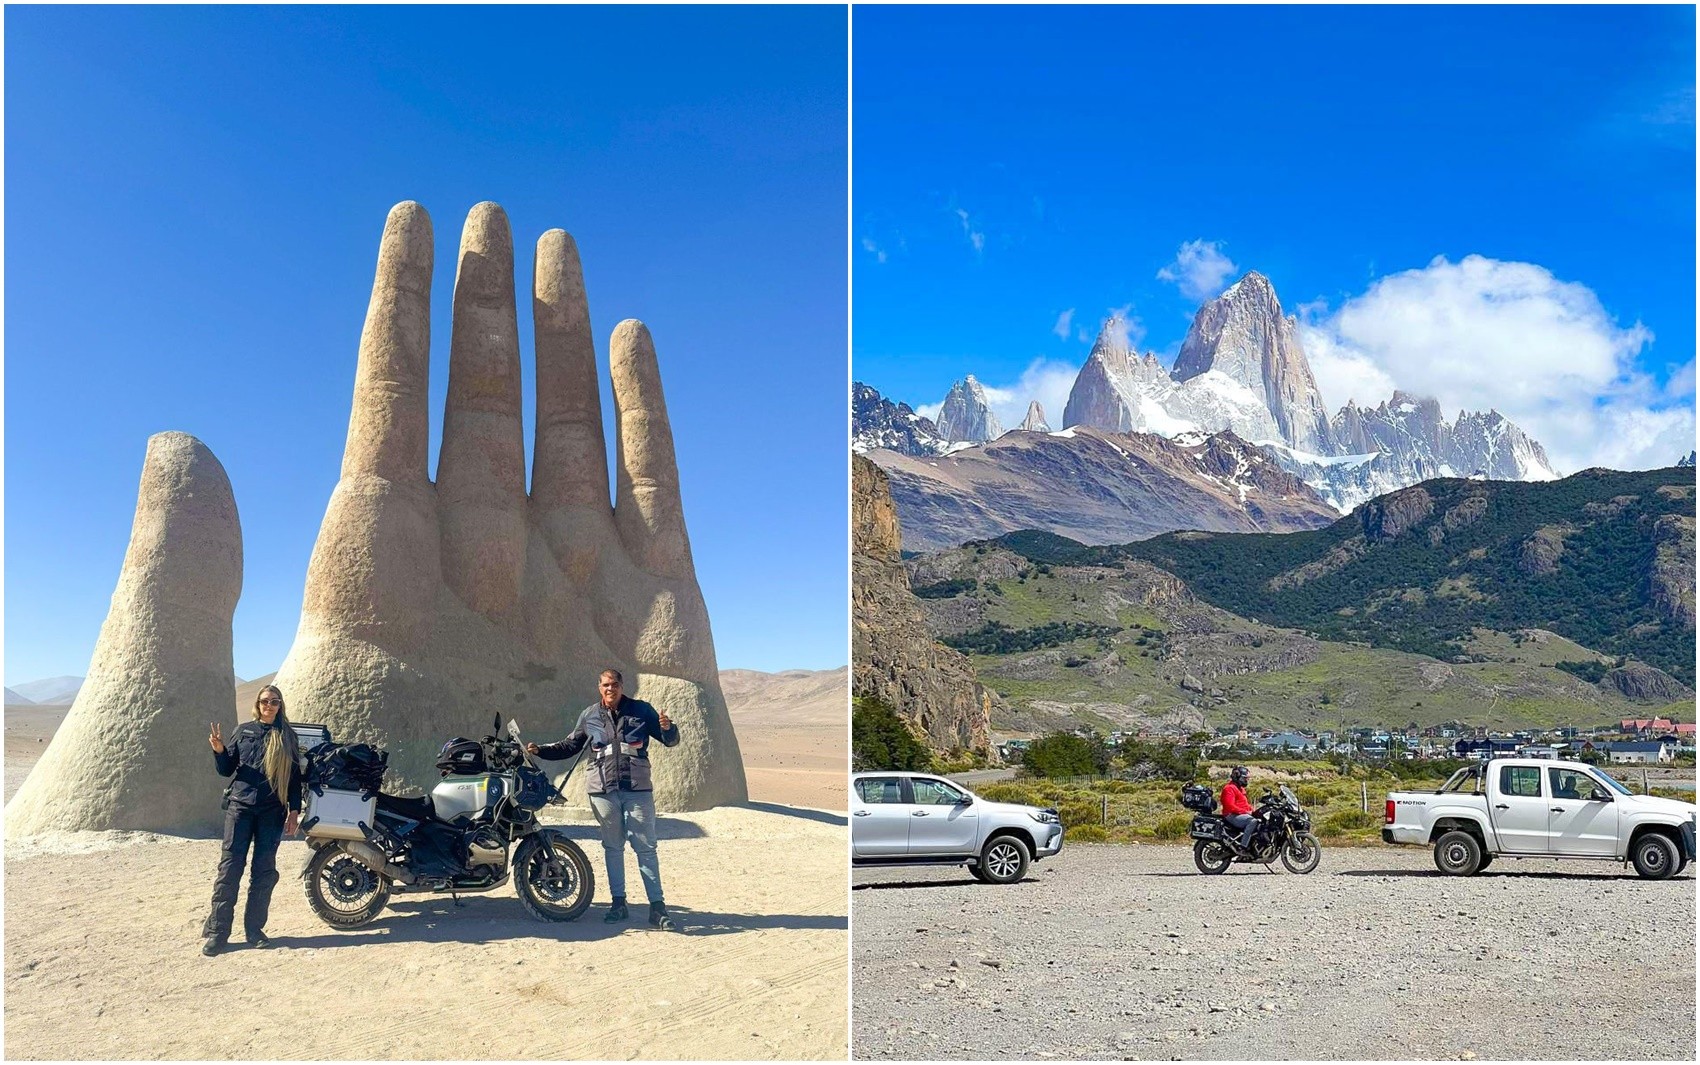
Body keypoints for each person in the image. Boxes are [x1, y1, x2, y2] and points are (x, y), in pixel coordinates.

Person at [528, 669, 681, 930]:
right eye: (606, 685)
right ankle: (618, 904)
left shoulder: (641, 710)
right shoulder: (589, 715)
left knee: (645, 848)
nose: (611, 689)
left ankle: (657, 908)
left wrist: (669, 729)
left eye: (615, 684)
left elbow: (670, 741)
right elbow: (570, 745)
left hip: (637, 788)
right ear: (599, 687)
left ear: (622, 686)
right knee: (613, 848)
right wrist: (540, 750)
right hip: (602, 790)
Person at [202, 684, 301, 956]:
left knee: (264, 872)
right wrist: (220, 750)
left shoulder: (287, 736)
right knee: (230, 869)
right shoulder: (243, 730)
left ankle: (254, 930)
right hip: (240, 808)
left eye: (274, 701)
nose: (268, 705)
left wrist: (294, 810)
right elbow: (226, 770)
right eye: (264, 701)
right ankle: (217, 933)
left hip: (272, 811)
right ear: (257, 704)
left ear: (281, 706)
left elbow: (294, 778)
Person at [1220, 765, 1258, 854]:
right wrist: (1246, 812)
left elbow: (1244, 804)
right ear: (1238, 777)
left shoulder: (1240, 788)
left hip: (1239, 814)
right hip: (1231, 815)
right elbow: (1230, 806)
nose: (1246, 780)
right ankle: (1243, 847)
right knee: (1252, 822)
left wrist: (1254, 811)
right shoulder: (1229, 788)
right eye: (1245, 778)